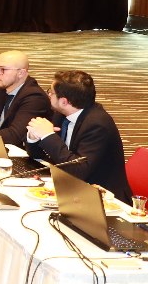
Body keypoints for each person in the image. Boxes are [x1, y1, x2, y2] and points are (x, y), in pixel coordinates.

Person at [26, 70, 133, 202]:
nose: (48, 94)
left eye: (51, 92)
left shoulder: (97, 124)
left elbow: (78, 171)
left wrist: (48, 136)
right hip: (71, 187)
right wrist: (34, 138)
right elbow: (42, 156)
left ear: (64, 101)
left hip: (104, 198)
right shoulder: (62, 114)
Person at [0, 51, 52, 147]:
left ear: (21, 73)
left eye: (2, 69)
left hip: (20, 152)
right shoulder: (3, 88)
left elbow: (14, 135)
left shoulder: (35, 97)